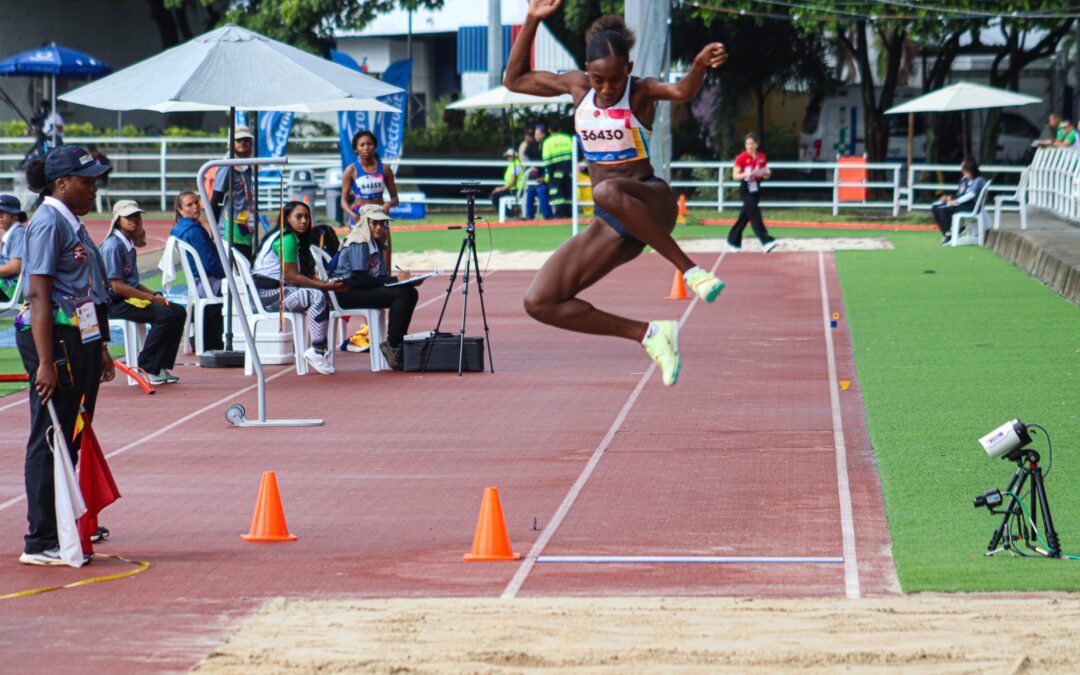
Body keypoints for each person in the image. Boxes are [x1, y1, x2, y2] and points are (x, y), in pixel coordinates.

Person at [504, 0, 727, 387]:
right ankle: (650, 334)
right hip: (615, 221)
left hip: (651, 201)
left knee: (605, 189)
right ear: (587, 73)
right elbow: (515, 80)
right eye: (597, 80)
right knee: (539, 302)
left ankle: (691, 271)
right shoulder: (576, 87)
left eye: (615, 80)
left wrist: (699, 66)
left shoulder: (641, 92)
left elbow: (682, 91)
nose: (606, 89)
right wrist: (532, 20)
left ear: (629, 70)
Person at [18, 145, 114, 565]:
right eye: (87, 181)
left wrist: (102, 345)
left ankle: (61, 525)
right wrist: (44, 362)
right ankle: (40, 540)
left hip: (81, 337)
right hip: (53, 338)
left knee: (71, 434)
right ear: (61, 183)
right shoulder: (46, 224)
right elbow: (39, 296)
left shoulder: (71, 221)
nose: (94, 189)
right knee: (51, 434)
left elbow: (87, 289)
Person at [251, 200, 344, 375]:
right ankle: (317, 350)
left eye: (307, 217)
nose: (304, 221)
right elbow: (292, 276)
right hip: (267, 296)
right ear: (287, 218)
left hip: (276, 292)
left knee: (320, 293)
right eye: (299, 217)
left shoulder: (289, 237)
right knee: (317, 296)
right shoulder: (286, 239)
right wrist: (325, 285)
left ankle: (319, 348)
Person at [102, 200, 187, 385]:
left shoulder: (127, 243)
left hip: (127, 298)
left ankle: (160, 365)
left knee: (179, 311)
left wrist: (154, 295)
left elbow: (133, 283)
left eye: (136, 216)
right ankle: (147, 368)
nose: (134, 219)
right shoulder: (113, 246)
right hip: (114, 303)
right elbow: (116, 286)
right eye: (128, 216)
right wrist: (151, 298)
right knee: (164, 316)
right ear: (117, 220)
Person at [332, 204, 422, 371]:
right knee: (401, 295)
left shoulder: (376, 243)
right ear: (365, 223)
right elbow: (358, 278)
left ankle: (396, 343)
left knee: (410, 292)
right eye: (375, 223)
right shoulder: (358, 242)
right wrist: (395, 279)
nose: (380, 227)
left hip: (361, 289)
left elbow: (379, 278)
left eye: (383, 223)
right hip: (347, 293)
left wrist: (405, 282)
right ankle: (394, 346)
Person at [170, 190, 225, 351]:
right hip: (207, 283)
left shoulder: (179, 228)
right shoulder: (194, 231)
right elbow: (210, 263)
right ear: (180, 209)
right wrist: (230, 275)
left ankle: (198, 335)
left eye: (196, 202)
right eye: (189, 204)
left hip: (196, 282)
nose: (195, 207)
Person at [340, 129, 398, 270]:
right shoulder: (351, 170)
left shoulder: (385, 169)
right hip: (360, 217)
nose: (366, 147)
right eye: (362, 145)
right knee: (361, 258)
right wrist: (353, 214)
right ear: (356, 149)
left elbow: (395, 198)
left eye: (369, 144)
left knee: (385, 256)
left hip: (380, 216)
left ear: (374, 146)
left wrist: (389, 204)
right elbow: (343, 200)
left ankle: (386, 285)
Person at [210, 125, 256, 259]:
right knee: (235, 269)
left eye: (246, 139)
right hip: (229, 229)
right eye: (239, 140)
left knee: (246, 266)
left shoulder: (248, 166)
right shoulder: (227, 165)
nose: (243, 143)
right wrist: (214, 233)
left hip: (245, 227)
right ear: (231, 143)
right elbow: (216, 199)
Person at [727, 132, 777, 253]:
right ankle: (766, 241)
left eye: (752, 143)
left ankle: (732, 240)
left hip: (756, 187)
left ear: (757, 144)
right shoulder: (741, 158)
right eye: (747, 144)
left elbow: (765, 172)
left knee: (745, 216)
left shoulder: (762, 157)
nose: (749, 146)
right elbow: (735, 175)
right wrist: (746, 174)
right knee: (755, 214)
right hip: (746, 187)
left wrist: (767, 173)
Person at [931, 159, 988, 245]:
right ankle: (950, 232)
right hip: (962, 203)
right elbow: (960, 193)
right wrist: (949, 197)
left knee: (943, 209)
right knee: (935, 207)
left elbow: (971, 195)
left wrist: (956, 201)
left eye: (964, 171)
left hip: (970, 206)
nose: (963, 172)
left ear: (970, 170)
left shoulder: (979, 180)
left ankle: (949, 234)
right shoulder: (964, 179)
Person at [541, 120, 575, 217]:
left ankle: (559, 215)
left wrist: (547, 175)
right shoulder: (568, 138)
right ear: (560, 129)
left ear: (549, 130)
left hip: (555, 172)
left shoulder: (547, 142)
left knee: (557, 194)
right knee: (569, 192)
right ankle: (570, 214)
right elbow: (574, 155)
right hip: (569, 171)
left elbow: (547, 160)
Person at [0, 194, 28, 301]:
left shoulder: (18, 234)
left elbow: (15, 267)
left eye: (4, 212)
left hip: (11, 290)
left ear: (15, 215)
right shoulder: (11, 234)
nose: (0, 216)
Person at [522, 126, 553, 219]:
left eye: (538, 134)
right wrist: (531, 166)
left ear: (543, 134)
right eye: (535, 134)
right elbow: (525, 157)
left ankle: (547, 215)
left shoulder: (548, 143)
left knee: (541, 190)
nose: (536, 136)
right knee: (530, 191)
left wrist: (544, 177)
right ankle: (529, 215)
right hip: (534, 175)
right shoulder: (531, 144)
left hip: (546, 174)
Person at [490, 148, 527, 213]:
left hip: (515, 190)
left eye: (509, 156)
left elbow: (513, 182)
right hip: (512, 189)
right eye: (508, 156)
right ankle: (508, 212)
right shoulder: (512, 164)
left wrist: (501, 189)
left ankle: (507, 213)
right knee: (495, 194)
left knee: (494, 195)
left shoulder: (516, 165)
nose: (508, 157)